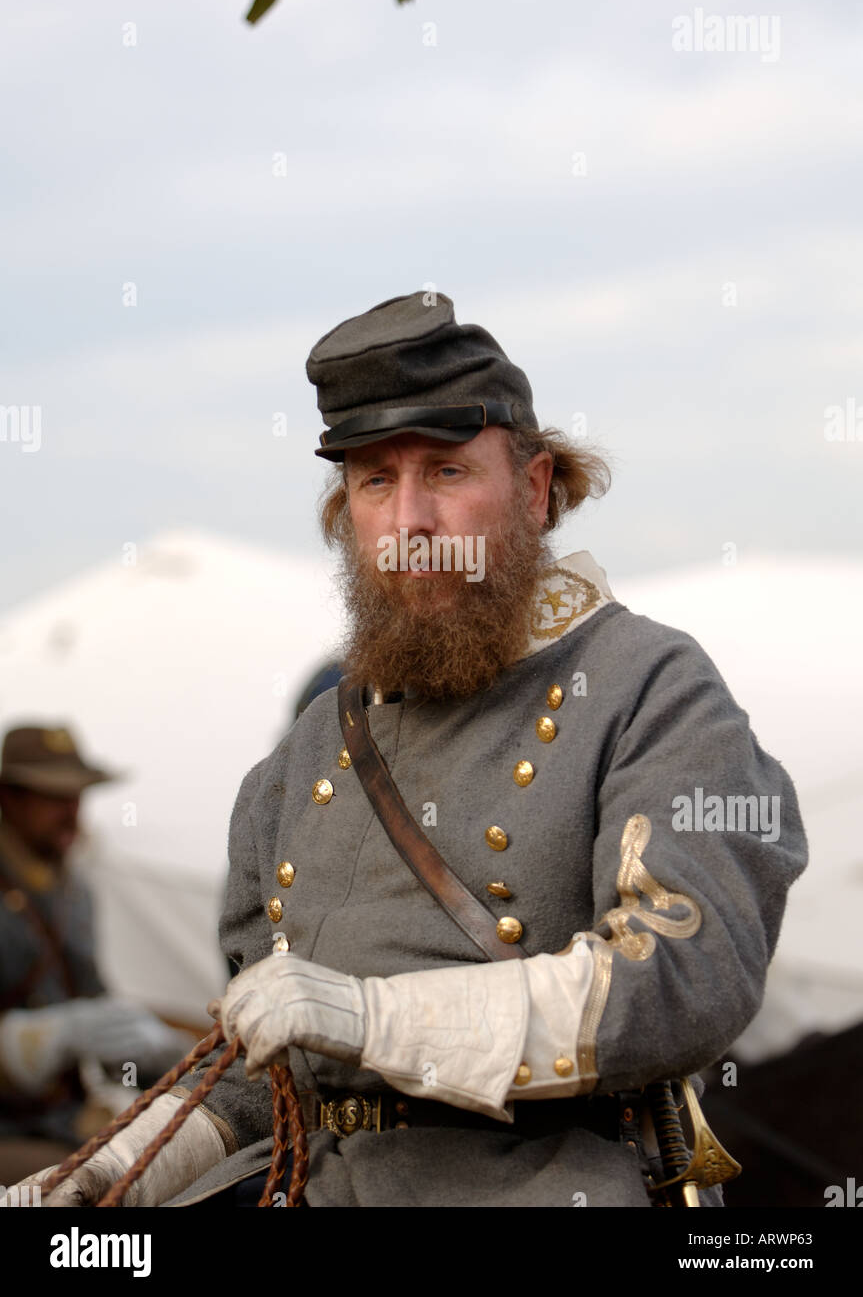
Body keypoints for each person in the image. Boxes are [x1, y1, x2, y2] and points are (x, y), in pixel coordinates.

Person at [8, 291, 807, 1208]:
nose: (409, 521)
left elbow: (678, 982)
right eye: (374, 480)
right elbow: (258, 1077)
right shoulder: (307, 750)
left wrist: (373, 1017)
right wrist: (104, 1177)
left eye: (446, 472)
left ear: (537, 489)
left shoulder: (649, 687)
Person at [0, 724, 194, 1185]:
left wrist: (142, 1054)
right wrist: (23, 1045)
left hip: (60, 1120)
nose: (72, 811)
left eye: (78, 796)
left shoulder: (75, 891)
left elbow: (93, 1002)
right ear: (10, 797)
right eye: (54, 796)